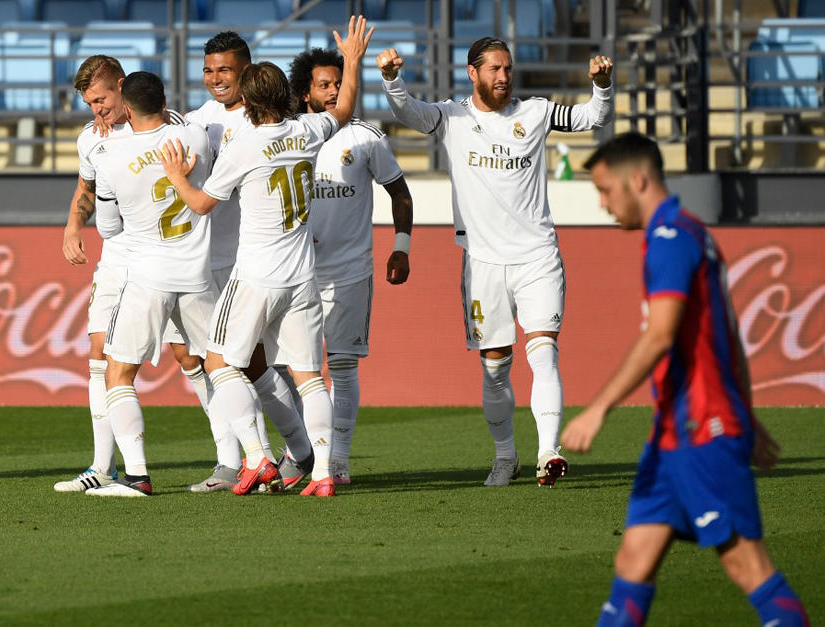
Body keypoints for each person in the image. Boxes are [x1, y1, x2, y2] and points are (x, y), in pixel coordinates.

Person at [561, 133, 808, 626]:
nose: (603, 204)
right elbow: (731, 337)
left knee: (748, 567)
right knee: (633, 561)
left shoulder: (672, 239)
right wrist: (749, 416)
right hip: (675, 434)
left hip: (702, 430)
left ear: (638, 180)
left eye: (606, 191)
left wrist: (598, 408)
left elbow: (660, 337)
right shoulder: (686, 232)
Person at [377, 38, 614, 486]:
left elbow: (589, 117)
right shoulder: (452, 117)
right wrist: (392, 79)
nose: (503, 77)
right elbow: (408, 111)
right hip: (483, 261)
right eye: (494, 70)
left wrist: (601, 87)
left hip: (537, 256)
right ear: (473, 73)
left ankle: (549, 452)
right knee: (495, 364)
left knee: (543, 350)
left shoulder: (537, 112)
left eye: (507, 69)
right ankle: (506, 455)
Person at [160, 16, 374, 497]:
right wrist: (354, 61)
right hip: (302, 275)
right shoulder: (309, 130)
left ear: (251, 94)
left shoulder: (244, 144)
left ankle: (256, 459)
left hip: (253, 273)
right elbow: (341, 110)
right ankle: (321, 472)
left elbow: (199, 203)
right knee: (310, 378)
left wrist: (177, 175)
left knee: (219, 363)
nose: (217, 79)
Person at [55, 55, 199, 493]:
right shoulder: (90, 140)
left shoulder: (172, 125)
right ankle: (103, 466)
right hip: (118, 258)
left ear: (123, 87)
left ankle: (233, 459)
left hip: (170, 256)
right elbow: (87, 189)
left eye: (101, 99)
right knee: (99, 354)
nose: (97, 109)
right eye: (89, 103)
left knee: (191, 358)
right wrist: (72, 226)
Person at [183, 31, 315, 493]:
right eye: (208, 69)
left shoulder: (269, 124)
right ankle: (232, 459)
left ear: (247, 71)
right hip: (204, 261)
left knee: (247, 365)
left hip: (249, 263)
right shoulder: (197, 121)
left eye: (225, 70)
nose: (215, 79)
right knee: (197, 360)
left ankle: (286, 453)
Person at [286, 47, 413, 485]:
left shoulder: (365, 137)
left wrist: (402, 246)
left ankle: (337, 461)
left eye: (339, 83)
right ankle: (299, 453)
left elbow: (399, 192)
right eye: (324, 85)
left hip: (349, 270)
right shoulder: (290, 135)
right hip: (297, 271)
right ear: (305, 93)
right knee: (293, 368)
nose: (334, 90)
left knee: (341, 366)